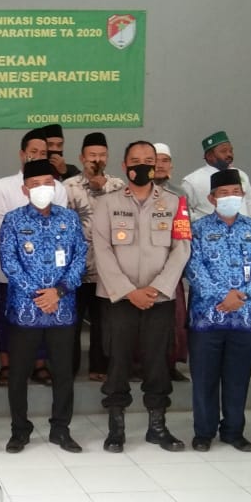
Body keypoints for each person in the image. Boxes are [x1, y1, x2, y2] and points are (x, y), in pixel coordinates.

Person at [91, 141, 192, 453]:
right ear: (124, 166)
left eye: (149, 160)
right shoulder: (106, 203)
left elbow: (182, 248)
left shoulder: (175, 203)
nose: (142, 165)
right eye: (135, 160)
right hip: (118, 299)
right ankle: (116, 429)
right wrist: (128, 291)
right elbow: (101, 250)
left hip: (159, 298)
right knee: (117, 361)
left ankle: (157, 427)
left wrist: (158, 288)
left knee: (158, 362)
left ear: (157, 164)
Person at [0, 159, 87, 453]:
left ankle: (60, 429)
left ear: (55, 186)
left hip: (62, 309)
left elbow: (80, 258)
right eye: (35, 184)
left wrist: (58, 292)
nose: (42, 189)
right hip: (25, 311)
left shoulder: (70, 219)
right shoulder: (13, 220)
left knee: (63, 373)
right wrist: (39, 295)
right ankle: (19, 430)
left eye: (47, 183)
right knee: (18, 374)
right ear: (25, 189)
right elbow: (9, 263)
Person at [186, 169, 251, 452]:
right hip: (206, 318)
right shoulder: (198, 230)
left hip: (245, 318)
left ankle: (234, 431)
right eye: (223, 193)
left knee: (238, 380)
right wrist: (222, 296)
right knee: (204, 379)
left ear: (243, 195)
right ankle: (204, 432)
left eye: (235, 192)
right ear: (212, 198)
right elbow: (193, 269)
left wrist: (242, 296)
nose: (230, 197)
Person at [0, 129, 67, 385]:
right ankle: (7, 365)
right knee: (7, 317)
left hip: (48, 270)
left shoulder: (58, 188)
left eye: (43, 152)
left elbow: (60, 225)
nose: (37, 156)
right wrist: (28, 239)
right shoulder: (3, 185)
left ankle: (40, 365)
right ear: (22, 154)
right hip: (13, 268)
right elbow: (0, 223)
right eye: (33, 151)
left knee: (43, 316)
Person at [64, 132, 126, 381]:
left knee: (104, 321)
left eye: (102, 155)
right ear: (82, 158)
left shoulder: (118, 186)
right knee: (73, 320)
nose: (97, 160)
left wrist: (102, 188)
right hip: (76, 267)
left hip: (107, 268)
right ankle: (69, 368)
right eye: (92, 155)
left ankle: (100, 367)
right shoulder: (68, 187)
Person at [152, 142, 190, 382]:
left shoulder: (180, 194)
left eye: (165, 160)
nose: (160, 165)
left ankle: (169, 365)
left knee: (173, 321)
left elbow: (184, 232)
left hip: (171, 268)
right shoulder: (131, 192)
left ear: (171, 166)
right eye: (156, 160)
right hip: (140, 269)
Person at [181, 130, 251, 221]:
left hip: (245, 228)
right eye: (223, 151)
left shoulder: (241, 174)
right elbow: (183, 208)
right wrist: (201, 223)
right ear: (209, 156)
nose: (229, 154)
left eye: (231, 151)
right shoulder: (193, 180)